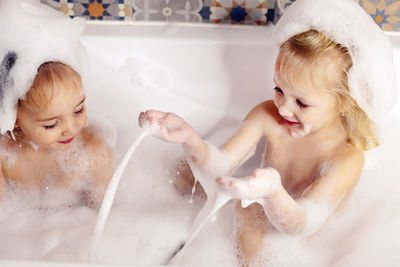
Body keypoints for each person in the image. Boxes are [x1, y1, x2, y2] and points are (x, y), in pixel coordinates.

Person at [139, 0, 397, 264]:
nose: (284, 109)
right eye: (278, 90)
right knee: (185, 171)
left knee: (248, 213)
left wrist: (272, 193)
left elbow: (303, 223)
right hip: (265, 204)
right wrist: (190, 139)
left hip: (304, 243)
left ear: (346, 102)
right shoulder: (267, 115)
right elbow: (221, 164)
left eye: (301, 103)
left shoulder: (346, 158)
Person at [0, 0, 113, 207]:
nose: (71, 128)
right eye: (51, 124)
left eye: (78, 110)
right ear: (14, 119)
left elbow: (105, 216)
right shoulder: (5, 157)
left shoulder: (94, 151)